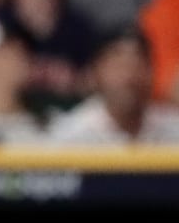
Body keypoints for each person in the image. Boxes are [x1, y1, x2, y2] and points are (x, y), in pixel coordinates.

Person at [46, 29, 179, 144]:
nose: (128, 76)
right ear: (96, 73)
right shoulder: (69, 135)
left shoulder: (173, 128)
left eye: (137, 65)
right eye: (118, 66)